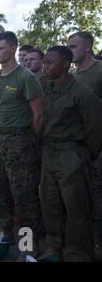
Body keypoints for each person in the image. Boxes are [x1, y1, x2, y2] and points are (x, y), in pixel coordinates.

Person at [0, 32, 43, 261]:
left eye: (0, 48)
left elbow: (38, 116)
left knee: (24, 197)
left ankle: (27, 245)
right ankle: (2, 235)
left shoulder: (26, 77)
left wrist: (28, 142)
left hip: (20, 142)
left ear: (13, 48)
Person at [39, 46, 102, 261]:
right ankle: (54, 248)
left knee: (76, 210)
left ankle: (78, 254)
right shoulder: (46, 90)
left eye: (50, 63)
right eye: (44, 62)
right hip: (49, 153)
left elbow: (95, 131)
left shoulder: (82, 93)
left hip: (71, 155)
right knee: (50, 204)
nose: (44, 66)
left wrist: (81, 155)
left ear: (66, 64)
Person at [67, 31, 102, 260]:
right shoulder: (70, 75)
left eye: (74, 46)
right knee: (79, 203)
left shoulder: (99, 71)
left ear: (88, 47)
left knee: (98, 201)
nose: (69, 50)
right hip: (74, 148)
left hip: (97, 147)